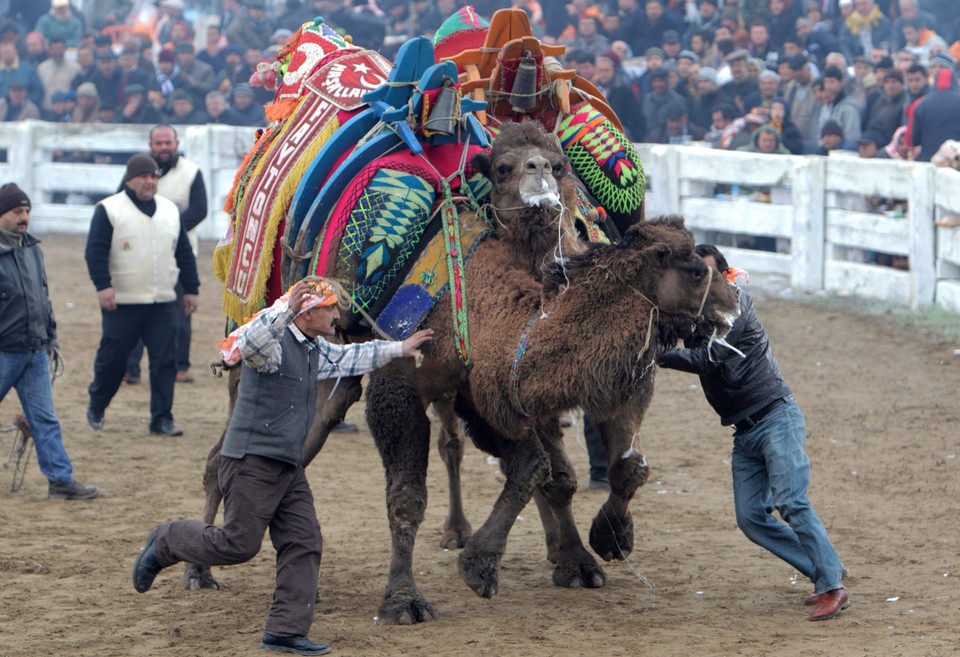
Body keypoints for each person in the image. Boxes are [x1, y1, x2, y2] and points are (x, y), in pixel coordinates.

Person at [131, 277, 434, 656]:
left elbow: (352, 358)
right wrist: (286, 311)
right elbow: (251, 343)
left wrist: (400, 348)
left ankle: (285, 631)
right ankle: (166, 540)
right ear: (308, 312)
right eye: (331, 309)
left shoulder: (314, 348)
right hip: (251, 463)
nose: (339, 316)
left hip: (288, 467)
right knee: (238, 544)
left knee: (304, 542)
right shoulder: (272, 345)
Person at [658, 244, 849, 622]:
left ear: (725, 277)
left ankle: (832, 584)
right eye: (696, 277)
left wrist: (655, 354)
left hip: (774, 417)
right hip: (746, 430)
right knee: (751, 516)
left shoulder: (735, 304)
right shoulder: (700, 314)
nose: (703, 284)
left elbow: (707, 359)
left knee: (791, 501)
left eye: (708, 276)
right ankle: (825, 571)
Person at [84, 153, 200, 436]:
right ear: (129, 180)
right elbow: (95, 252)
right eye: (144, 176)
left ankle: (162, 419)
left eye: (153, 176)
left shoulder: (170, 210)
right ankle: (98, 403)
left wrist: (191, 289)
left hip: (162, 301)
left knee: (164, 362)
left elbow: (183, 252)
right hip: (123, 302)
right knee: (113, 360)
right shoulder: (109, 209)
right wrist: (103, 286)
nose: (150, 181)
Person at [0, 183, 99, 501]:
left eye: (27, 211)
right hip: (4, 351)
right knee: (44, 419)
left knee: (45, 419)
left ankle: (60, 480)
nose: (24, 217)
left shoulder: (33, 249)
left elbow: (42, 297)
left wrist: (50, 336)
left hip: (35, 351)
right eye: (17, 211)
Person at [125, 125, 208, 387]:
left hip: (179, 254)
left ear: (176, 143)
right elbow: (123, 201)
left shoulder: (191, 172)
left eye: (168, 143)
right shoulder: (137, 171)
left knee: (180, 312)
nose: (163, 147)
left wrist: (166, 229)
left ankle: (179, 367)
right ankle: (130, 368)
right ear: (150, 145)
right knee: (135, 308)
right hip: (141, 253)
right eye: (158, 143)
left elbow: (199, 210)